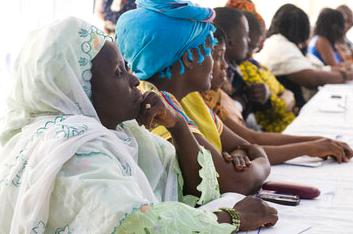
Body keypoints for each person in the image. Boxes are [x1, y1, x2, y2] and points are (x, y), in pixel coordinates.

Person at [0, 17, 278, 233]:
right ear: (78, 89)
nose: (134, 81)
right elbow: (132, 225)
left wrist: (179, 128)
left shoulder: (124, 133)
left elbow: (197, 193)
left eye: (128, 67)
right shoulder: (74, 147)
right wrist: (233, 218)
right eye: (119, 72)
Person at [116, 0, 272, 196]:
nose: (216, 61)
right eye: (210, 50)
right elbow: (235, 182)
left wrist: (240, 152)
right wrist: (262, 160)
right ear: (190, 57)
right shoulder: (155, 107)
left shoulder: (189, 99)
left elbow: (243, 146)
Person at [201, 24, 353, 165]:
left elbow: (248, 142)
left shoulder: (216, 94)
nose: (225, 65)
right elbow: (250, 140)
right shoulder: (201, 100)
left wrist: (318, 142)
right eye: (218, 56)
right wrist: (310, 146)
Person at [255, 4, 353, 109]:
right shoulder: (280, 46)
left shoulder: (281, 43)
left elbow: (315, 67)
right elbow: (312, 79)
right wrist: (345, 76)